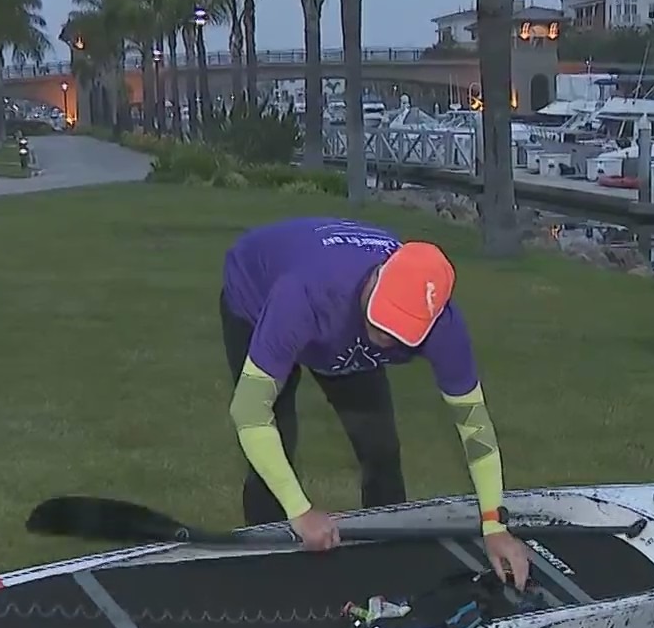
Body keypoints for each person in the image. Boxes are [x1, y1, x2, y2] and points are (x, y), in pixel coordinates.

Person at [218, 217, 534, 589]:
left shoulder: (443, 326)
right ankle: (263, 568)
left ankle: (387, 565)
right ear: (379, 277)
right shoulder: (305, 293)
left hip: (337, 329)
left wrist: (494, 525)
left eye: (399, 331)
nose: (383, 336)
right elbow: (249, 411)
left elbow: (475, 427)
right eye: (382, 318)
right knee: (277, 438)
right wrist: (301, 512)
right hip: (255, 298)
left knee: (380, 447)